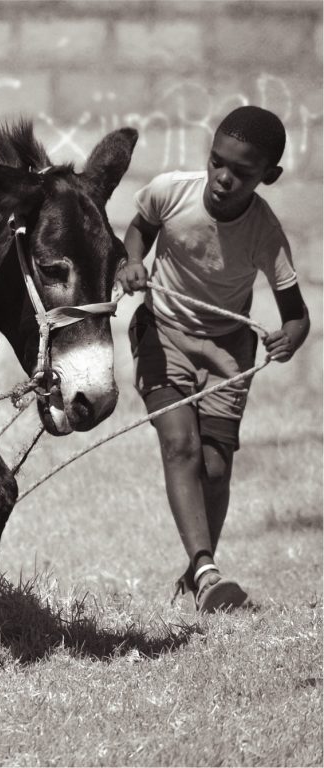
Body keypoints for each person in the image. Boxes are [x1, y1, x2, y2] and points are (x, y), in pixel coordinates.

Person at [116, 105, 310, 613]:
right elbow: (138, 231)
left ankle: (195, 574)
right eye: (216, 162)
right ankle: (207, 573)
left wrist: (290, 338)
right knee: (180, 443)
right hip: (164, 334)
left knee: (216, 466)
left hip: (228, 348)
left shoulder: (266, 233)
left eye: (242, 173)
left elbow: (296, 315)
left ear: (269, 176)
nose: (223, 178)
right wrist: (133, 262)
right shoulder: (171, 191)